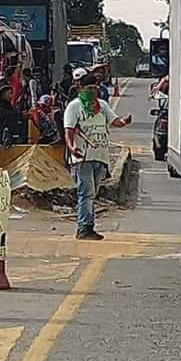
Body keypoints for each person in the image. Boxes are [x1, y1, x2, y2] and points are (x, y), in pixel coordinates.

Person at [64, 69, 132, 240]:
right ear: (81, 88)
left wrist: (124, 121)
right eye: (89, 88)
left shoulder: (102, 105)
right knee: (86, 193)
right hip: (82, 157)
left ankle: (88, 225)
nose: (93, 91)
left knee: (92, 193)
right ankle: (84, 227)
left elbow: (114, 121)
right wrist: (72, 147)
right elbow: (69, 130)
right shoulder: (74, 107)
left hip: (100, 156)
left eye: (95, 88)